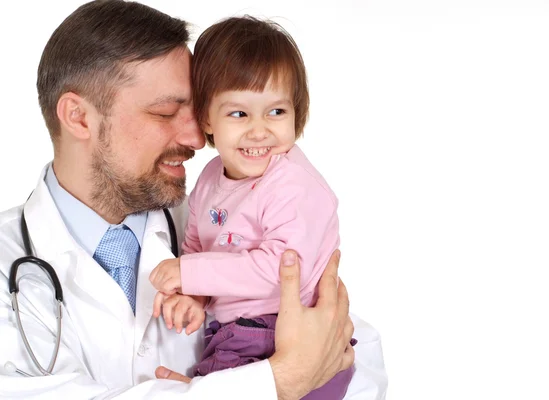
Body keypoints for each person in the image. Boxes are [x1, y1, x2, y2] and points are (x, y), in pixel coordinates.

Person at [0, 1, 387, 399]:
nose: (199, 139)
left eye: (198, 110)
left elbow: (357, 365)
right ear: (80, 118)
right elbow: (300, 369)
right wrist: (277, 381)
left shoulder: (223, 217)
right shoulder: (6, 264)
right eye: (167, 112)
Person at [149, 16, 354, 400]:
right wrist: (195, 297)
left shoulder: (293, 184)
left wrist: (187, 274)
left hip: (275, 333)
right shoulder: (211, 179)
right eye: (239, 114)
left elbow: (279, 270)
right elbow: (197, 245)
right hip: (237, 332)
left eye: (276, 112)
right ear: (206, 118)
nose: (259, 131)